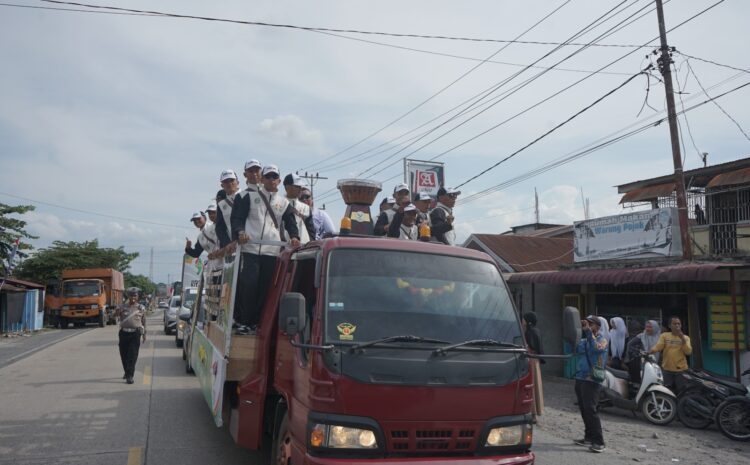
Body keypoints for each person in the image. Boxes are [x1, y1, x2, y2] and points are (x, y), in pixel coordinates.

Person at [230, 165, 300, 332]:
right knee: (248, 285)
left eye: (274, 177)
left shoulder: (283, 202)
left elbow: (291, 223)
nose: (271, 180)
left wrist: (295, 237)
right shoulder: (245, 196)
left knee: (266, 287)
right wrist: (240, 232)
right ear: (262, 179)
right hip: (250, 249)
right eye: (267, 176)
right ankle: (244, 321)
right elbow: (237, 219)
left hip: (271, 251)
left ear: (279, 181)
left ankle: (258, 322)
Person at [573, 315, 608, 453]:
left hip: (592, 379)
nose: (587, 326)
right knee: (584, 409)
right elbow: (577, 349)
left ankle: (599, 441)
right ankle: (588, 437)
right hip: (581, 377)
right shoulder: (585, 340)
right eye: (586, 323)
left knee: (591, 410)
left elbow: (596, 349)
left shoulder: (602, 340)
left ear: (598, 327)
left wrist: (588, 333)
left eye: (590, 324)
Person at [649, 316, 692, 391]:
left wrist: (682, 339)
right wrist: (650, 351)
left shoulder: (686, 337)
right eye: (675, 324)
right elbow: (658, 346)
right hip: (667, 370)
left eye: (679, 324)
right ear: (669, 326)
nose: (677, 326)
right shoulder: (664, 336)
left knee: (682, 391)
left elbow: (688, 352)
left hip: (681, 371)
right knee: (666, 391)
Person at [117, 287, 146, 384]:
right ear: (128, 296)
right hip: (124, 333)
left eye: (135, 295)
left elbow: (143, 321)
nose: (133, 297)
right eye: (131, 295)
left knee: (132, 355)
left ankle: (130, 376)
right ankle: (127, 371)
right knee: (124, 355)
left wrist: (144, 334)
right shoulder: (122, 307)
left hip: (135, 334)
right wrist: (118, 311)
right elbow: (114, 316)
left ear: (137, 296)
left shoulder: (141, 308)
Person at [185, 204, 221, 273]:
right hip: (213, 266)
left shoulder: (213, 226)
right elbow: (196, 253)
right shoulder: (200, 236)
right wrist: (188, 248)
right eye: (194, 220)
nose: (196, 221)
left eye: (198, 219)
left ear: (204, 218)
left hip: (223, 262)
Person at [283, 173, 315, 245]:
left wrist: (311, 245)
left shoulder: (306, 208)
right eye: (297, 186)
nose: (301, 189)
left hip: (303, 250)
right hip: (284, 248)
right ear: (288, 187)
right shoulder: (279, 204)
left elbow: (311, 231)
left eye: (301, 186)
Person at [523, 312, 544, 419]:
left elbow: (531, 346)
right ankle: (534, 412)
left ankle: (533, 413)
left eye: (524, 319)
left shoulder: (530, 332)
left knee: (532, 384)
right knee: (534, 384)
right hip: (535, 360)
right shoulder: (535, 331)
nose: (522, 321)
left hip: (531, 360)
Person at [214, 169, 241, 248]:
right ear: (222, 185)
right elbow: (219, 228)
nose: (229, 184)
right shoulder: (221, 205)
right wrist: (228, 244)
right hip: (235, 247)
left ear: (237, 182)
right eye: (226, 182)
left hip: (252, 243)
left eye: (232, 180)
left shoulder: (247, 196)